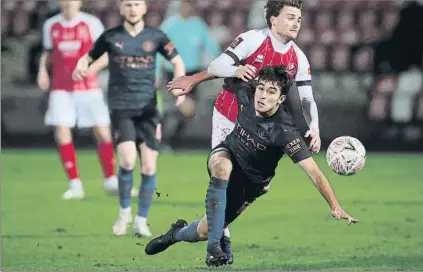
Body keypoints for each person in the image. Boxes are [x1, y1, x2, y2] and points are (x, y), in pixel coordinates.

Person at [145, 66, 359, 267]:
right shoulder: (246, 92)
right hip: (226, 153)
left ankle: (176, 233)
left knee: (201, 232)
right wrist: (198, 78)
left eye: (271, 91)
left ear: (281, 99)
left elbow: (314, 172)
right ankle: (214, 247)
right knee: (222, 168)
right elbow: (221, 68)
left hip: (250, 185)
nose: (263, 95)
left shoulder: (284, 132)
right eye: (262, 88)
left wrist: (335, 205)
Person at [167, 0, 318, 263]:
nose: (296, 23)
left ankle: (203, 234)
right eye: (291, 17)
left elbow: (306, 99)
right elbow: (216, 66)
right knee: (223, 173)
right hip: (228, 116)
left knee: (248, 187)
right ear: (274, 19)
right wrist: (236, 69)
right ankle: (219, 243)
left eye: (299, 19)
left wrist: (314, 127)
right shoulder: (252, 40)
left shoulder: (298, 58)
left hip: (260, 127)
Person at [72, 0, 186, 237]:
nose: (132, 8)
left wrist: (178, 86)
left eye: (136, 4)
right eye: (128, 4)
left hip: (148, 110)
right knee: (126, 161)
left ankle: (141, 220)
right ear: (121, 9)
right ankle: (124, 213)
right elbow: (88, 57)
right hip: (121, 108)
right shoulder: (111, 37)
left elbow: (177, 61)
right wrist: (80, 66)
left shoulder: (156, 36)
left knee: (148, 165)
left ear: (144, 8)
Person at [37, 0, 117, 200]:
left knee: (102, 131)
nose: (67, 3)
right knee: (62, 130)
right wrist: (42, 73)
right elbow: (48, 52)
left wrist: (91, 69)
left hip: (88, 88)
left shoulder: (91, 23)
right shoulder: (51, 25)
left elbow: (105, 54)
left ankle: (110, 179)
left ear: (80, 2)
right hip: (61, 88)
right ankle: (74, 184)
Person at [156, 0, 220, 150]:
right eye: (183, 4)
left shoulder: (199, 26)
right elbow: (159, 51)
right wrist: (157, 73)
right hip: (173, 72)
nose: (186, 8)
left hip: (192, 74)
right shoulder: (169, 26)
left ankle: (167, 138)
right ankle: (165, 140)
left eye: (189, 5)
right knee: (186, 108)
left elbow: (212, 48)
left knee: (188, 112)